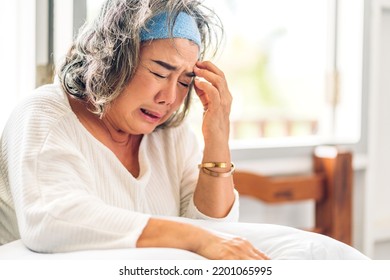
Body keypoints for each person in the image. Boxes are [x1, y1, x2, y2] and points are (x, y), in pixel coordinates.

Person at [0, 0, 367, 260]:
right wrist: (194, 238)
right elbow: (53, 219)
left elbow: (213, 228)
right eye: (159, 72)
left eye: (184, 80)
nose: (169, 97)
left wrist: (217, 137)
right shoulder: (45, 113)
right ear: (114, 59)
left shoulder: (170, 134)